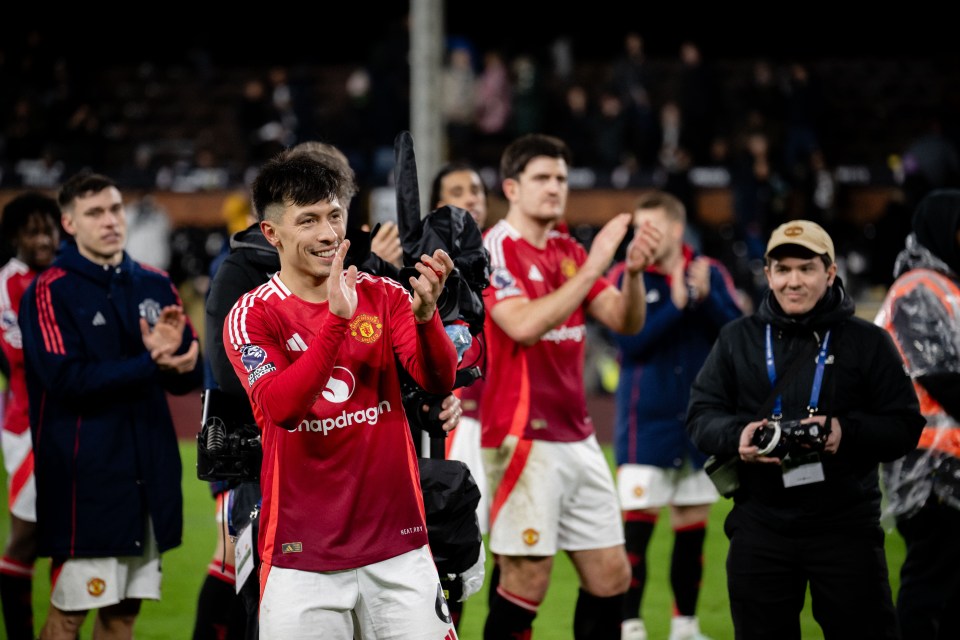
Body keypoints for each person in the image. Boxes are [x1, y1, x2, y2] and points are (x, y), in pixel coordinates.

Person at [221, 149, 462, 638]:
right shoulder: (252, 315)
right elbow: (282, 408)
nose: (329, 234)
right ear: (272, 234)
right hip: (301, 557)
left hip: (399, 547)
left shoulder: (385, 294)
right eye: (308, 220)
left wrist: (426, 318)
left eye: (334, 216)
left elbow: (438, 379)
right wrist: (336, 321)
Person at [685, 219, 925, 639]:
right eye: (783, 269)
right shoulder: (736, 339)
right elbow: (701, 415)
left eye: (806, 268)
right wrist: (737, 436)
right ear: (768, 273)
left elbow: (905, 425)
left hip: (845, 526)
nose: (793, 281)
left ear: (830, 273)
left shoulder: (867, 342)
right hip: (760, 525)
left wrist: (842, 431)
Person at [480, 133, 661, 639]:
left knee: (612, 576)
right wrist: (596, 267)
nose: (555, 187)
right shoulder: (494, 248)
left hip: (577, 436)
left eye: (561, 178)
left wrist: (635, 274)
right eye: (542, 177)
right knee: (527, 577)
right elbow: (522, 325)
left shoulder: (567, 249)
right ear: (511, 187)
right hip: (523, 435)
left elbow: (624, 320)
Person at [18, 170, 202, 640]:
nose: (110, 221)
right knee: (68, 618)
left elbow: (188, 377)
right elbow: (64, 380)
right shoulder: (50, 290)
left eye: (115, 209)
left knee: (123, 618)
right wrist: (150, 361)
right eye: (94, 212)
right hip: (87, 488)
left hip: (148, 480)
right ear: (70, 224)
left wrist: (182, 363)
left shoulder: (155, 284)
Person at [609, 191, 742, 640]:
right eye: (638, 228)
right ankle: (629, 625)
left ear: (675, 229)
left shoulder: (710, 273)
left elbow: (735, 338)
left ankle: (685, 626)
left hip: (698, 428)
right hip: (644, 427)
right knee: (636, 536)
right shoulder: (626, 276)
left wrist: (705, 298)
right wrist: (679, 304)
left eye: (653, 227)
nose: (644, 237)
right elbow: (629, 343)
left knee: (691, 533)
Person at [874, 189, 960, 639]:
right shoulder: (919, 288)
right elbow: (940, 374)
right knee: (931, 580)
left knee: (949, 583)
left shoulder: (944, 287)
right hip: (928, 463)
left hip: (945, 459)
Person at [428, 160, 490, 628]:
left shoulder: (498, 260)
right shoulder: (423, 270)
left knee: (472, 559)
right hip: (457, 424)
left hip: (503, 427)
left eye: (476, 189)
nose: (470, 197)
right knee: (446, 544)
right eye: (457, 191)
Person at [0, 192, 60, 640]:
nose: (44, 238)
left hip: (69, 426)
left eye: (50, 229)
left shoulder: (63, 276)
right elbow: (20, 356)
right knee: (25, 536)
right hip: (27, 426)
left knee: (66, 534)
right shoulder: (9, 283)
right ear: (14, 237)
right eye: (33, 231)